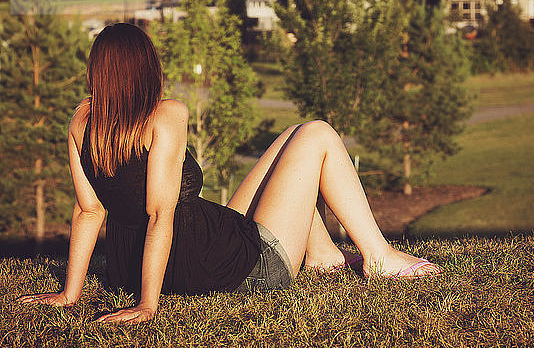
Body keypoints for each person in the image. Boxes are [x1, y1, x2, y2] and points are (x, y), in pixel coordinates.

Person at [17, 23, 441, 324]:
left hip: (133, 267)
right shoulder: (166, 115)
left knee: (292, 139)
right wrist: (149, 305)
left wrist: (70, 295)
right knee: (317, 134)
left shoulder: (81, 122)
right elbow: (161, 215)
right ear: (146, 69)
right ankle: (379, 255)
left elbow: (88, 211)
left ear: (99, 73)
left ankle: (326, 257)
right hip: (225, 267)